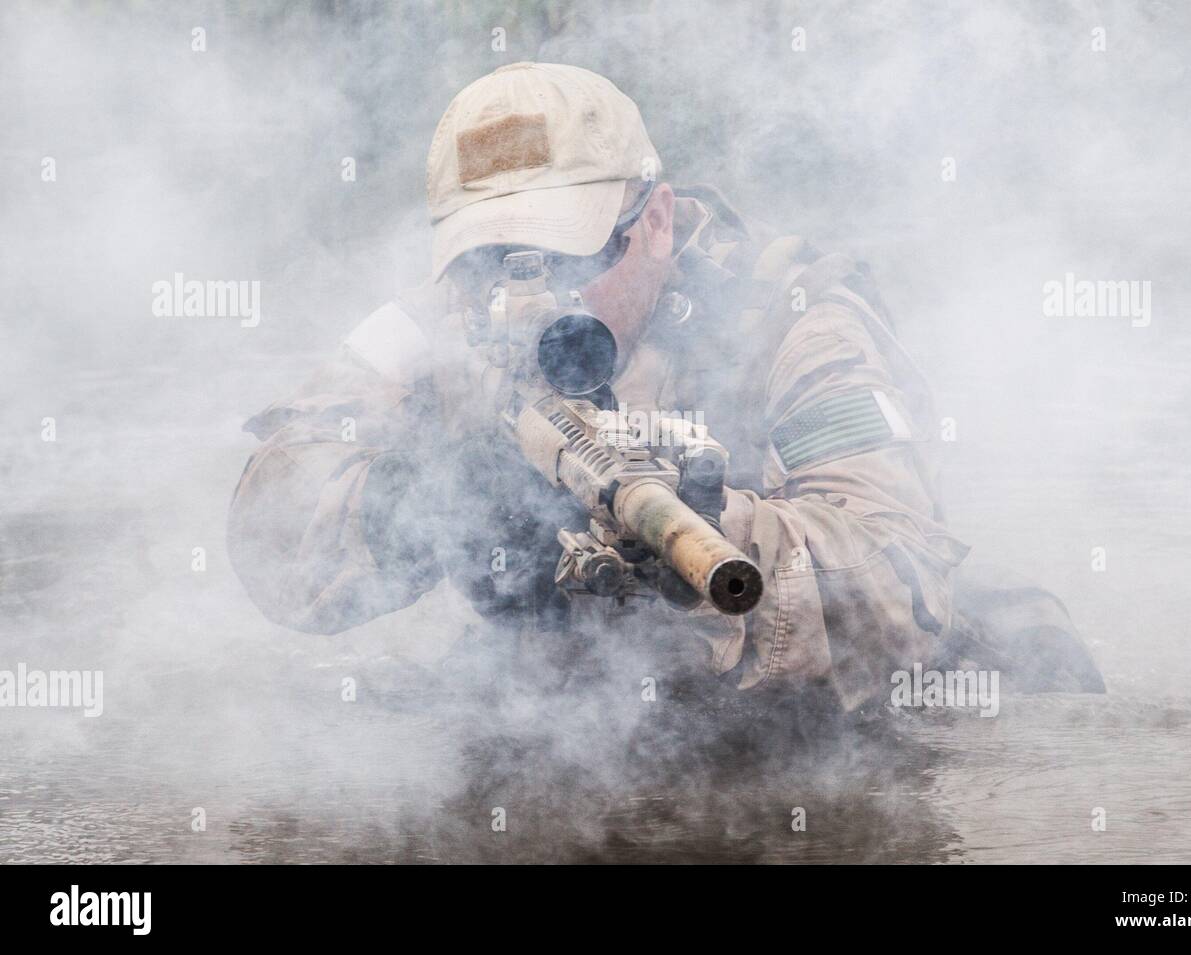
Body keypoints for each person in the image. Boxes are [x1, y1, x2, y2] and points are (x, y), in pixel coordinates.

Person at [228, 62, 1102, 711]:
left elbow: (901, 577)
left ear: (652, 221)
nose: (529, 301)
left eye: (569, 259)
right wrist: (415, 501)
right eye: (488, 263)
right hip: (580, 704)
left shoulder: (793, 319)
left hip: (788, 705)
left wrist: (697, 542)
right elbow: (273, 522)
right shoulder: (432, 329)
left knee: (1027, 662)